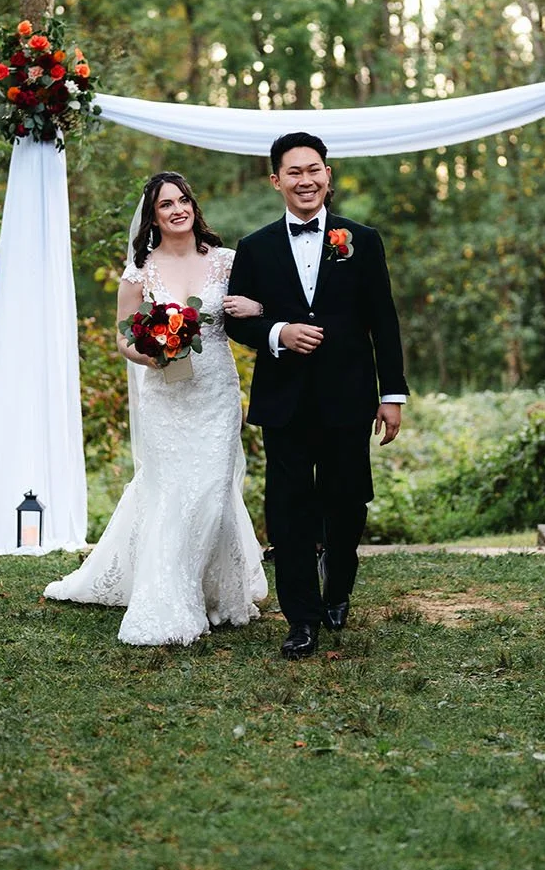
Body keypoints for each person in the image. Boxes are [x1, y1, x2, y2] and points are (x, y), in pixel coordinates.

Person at [46, 172, 266, 645]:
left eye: (183, 199)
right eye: (166, 204)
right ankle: (170, 595)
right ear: (154, 217)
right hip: (166, 394)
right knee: (169, 492)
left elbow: (254, 307)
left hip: (216, 392)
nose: (177, 209)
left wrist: (257, 307)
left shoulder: (227, 262)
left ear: (193, 206)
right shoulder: (139, 272)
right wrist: (148, 351)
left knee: (211, 490)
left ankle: (218, 592)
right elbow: (123, 335)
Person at [225, 133, 408, 660]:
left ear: (327, 175)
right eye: (294, 172)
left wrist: (391, 393)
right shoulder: (255, 247)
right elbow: (238, 323)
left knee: (346, 502)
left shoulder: (362, 240)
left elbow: (384, 322)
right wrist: (279, 332)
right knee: (288, 510)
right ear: (276, 180)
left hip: (349, 397)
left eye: (314, 170)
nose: (305, 181)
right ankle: (300, 618)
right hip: (284, 401)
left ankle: (339, 591)